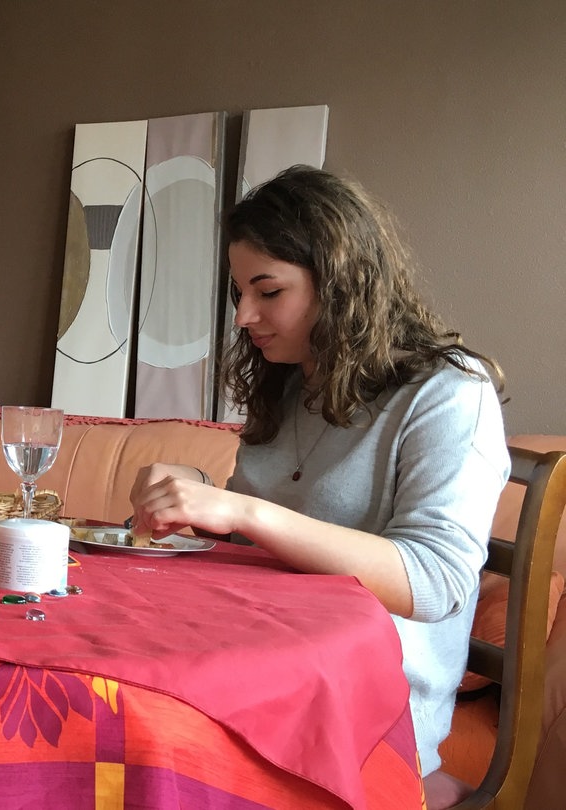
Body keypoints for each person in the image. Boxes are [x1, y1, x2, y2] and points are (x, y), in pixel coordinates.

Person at [126, 165, 507, 805]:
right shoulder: (291, 384)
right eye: (239, 292)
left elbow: (436, 581)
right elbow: (264, 539)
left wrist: (241, 510)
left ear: (340, 282)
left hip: (365, 709)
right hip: (258, 666)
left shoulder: (450, 393)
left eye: (268, 291)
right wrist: (196, 488)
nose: (244, 315)